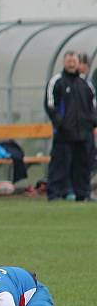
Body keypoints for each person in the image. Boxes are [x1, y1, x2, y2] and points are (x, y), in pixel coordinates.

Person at [44, 51, 97, 201]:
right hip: (64, 132)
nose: (72, 63)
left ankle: (83, 194)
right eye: (69, 61)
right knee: (60, 164)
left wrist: (92, 122)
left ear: (78, 63)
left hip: (84, 132)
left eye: (74, 61)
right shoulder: (57, 81)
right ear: (64, 62)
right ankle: (54, 194)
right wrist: (60, 123)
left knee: (83, 165)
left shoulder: (85, 83)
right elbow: (50, 105)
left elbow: (93, 104)